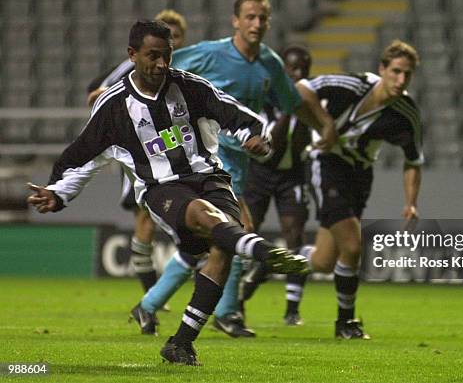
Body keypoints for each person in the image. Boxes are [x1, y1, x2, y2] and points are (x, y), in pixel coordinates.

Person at [27, 19, 308, 366]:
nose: (161, 65)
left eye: (167, 56)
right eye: (153, 56)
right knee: (208, 218)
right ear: (132, 55)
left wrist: (254, 137)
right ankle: (258, 248)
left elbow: (239, 115)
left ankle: (181, 343)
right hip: (162, 189)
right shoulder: (115, 107)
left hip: (210, 178)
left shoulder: (191, 88)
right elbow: (84, 156)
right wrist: (58, 193)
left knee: (222, 250)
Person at [132, 0, 336, 339]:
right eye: (250, 17)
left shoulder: (269, 63)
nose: (256, 23)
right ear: (236, 21)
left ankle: (150, 305)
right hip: (207, 158)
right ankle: (226, 313)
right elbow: (160, 66)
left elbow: (292, 101)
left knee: (213, 242)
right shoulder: (211, 53)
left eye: (262, 18)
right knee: (237, 231)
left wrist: (324, 127)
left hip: (241, 163)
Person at [295, 40, 424, 339]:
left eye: (407, 74)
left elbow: (413, 160)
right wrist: (326, 125)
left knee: (324, 261)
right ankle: (345, 324)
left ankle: (287, 259)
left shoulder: (407, 114)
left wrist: (411, 202)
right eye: (395, 72)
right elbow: (302, 87)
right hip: (325, 163)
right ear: (382, 69)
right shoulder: (351, 85)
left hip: (359, 173)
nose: (401, 80)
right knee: (353, 245)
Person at [85, 10, 188, 303]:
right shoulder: (135, 66)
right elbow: (97, 91)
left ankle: (161, 293)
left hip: (179, 152)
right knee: (145, 220)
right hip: (142, 152)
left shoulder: (188, 68)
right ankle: (152, 296)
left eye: (176, 37)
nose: (173, 42)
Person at [239, 45, 313, 326]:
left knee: (295, 237)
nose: (299, 76)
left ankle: (292, 310)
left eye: (304, 70)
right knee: (246, 233)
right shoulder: (267, 100)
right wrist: (289, 109)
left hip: (293, 175)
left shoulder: (313, 101)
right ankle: (237, 303)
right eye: (293, 70)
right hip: (259, 173)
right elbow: (271, 144)